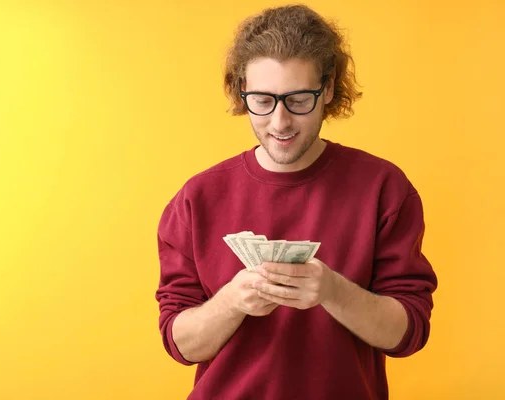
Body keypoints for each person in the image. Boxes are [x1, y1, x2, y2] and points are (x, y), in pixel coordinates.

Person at [155, 4, 438, 399]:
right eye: (263, 100)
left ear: (329, 88)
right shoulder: (196, 199)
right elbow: (181, 345)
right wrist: (233, 301)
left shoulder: (384, 188)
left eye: (299, 99)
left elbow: (407, 334)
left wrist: (332, 291)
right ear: (241, 93)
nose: (279, 121)